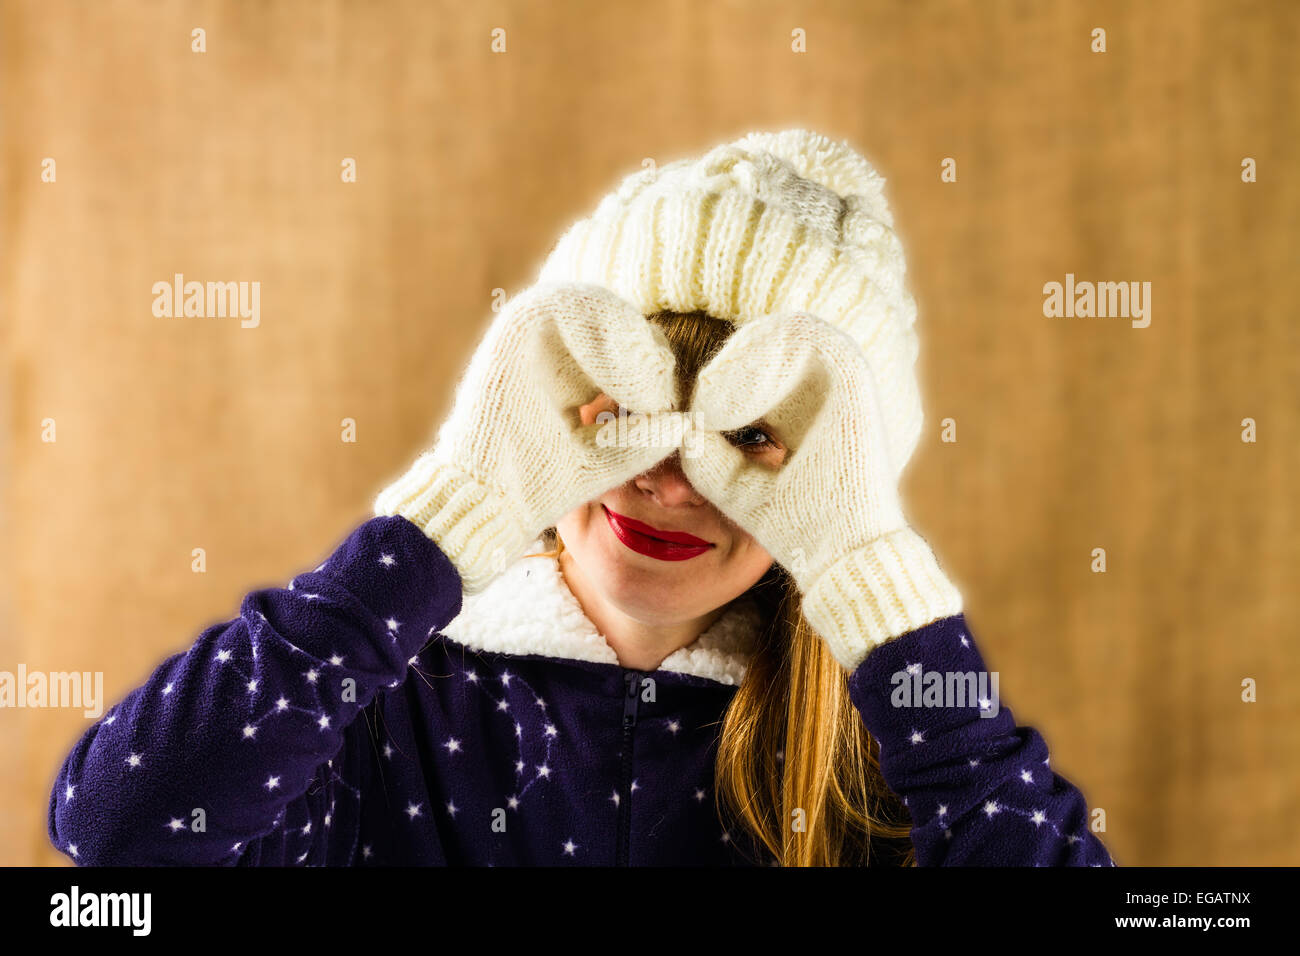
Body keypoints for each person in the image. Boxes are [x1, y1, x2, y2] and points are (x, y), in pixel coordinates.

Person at [47, 129, 1117, 867]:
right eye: (625, 407)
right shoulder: (385, 698)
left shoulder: (877, 752)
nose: (664, 475)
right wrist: (447, 512)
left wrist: (874, 589)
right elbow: (116, 831)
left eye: (744, 436)